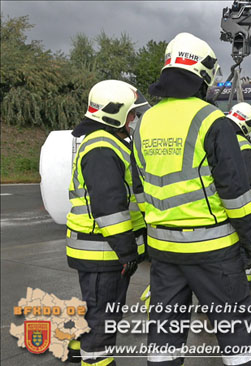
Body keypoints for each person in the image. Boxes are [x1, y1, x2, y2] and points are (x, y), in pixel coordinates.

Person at [131, 32, 251, 366]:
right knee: (235, 337)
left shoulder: (144, 122)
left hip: (164, 252)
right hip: (213, 251)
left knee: (164, 335)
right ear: (204, 75)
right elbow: (235, 192)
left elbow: (140, 190)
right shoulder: (212, 121)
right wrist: (249, 238)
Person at [66, 80, 148, 366]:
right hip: (103, 251)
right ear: (114, 114)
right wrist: (127, 252)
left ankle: (80, 348)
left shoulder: (107, 143)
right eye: (130, 114)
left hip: (101, 250)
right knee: (104, 317)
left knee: (98, 309)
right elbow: (110, 208)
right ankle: (96, 360)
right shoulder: (103, 148)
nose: (134, 119)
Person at [225, 102, 251, 286]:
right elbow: (249, 183)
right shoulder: (245, 146)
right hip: (239, 210)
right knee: (248, 251)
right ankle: (243, 298)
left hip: (211, 210)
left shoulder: (212, 135)